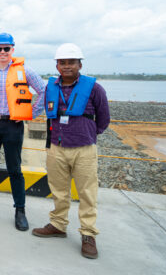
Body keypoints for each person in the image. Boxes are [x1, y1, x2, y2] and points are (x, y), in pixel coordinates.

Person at [32, 43, 109, 259]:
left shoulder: (94, 89)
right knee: (58, 189)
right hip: (57, 147)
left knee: (87, 192)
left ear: (79, 64)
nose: (66, 66)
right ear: (57, 65)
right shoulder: (50, 87)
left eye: (71, 62)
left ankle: (88, 234)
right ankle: (58, 224)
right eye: (62, 62)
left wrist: (87, 133)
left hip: (84, 148)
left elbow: (104, 119)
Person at [0, 33, 45, 231]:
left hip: (13, 126)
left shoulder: (25, 70)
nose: (2, 52)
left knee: (15, 169)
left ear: (13, 49)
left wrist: (30, 113)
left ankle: (20, 210)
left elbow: (44, 91)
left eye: (6, 48)